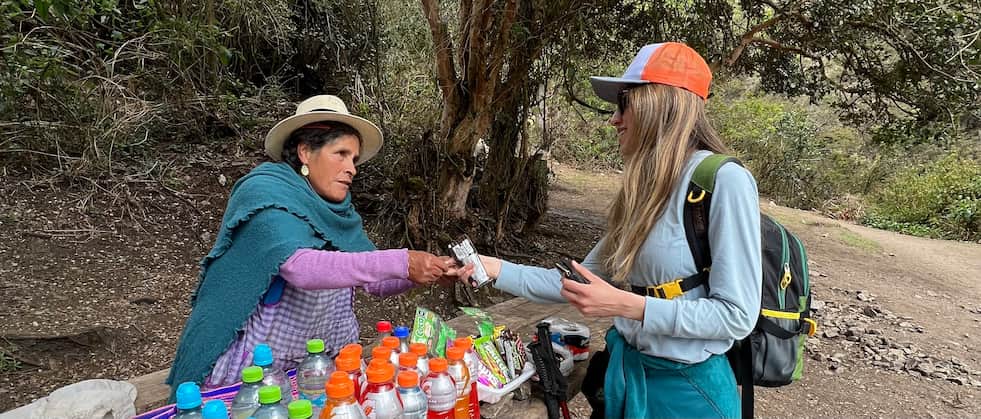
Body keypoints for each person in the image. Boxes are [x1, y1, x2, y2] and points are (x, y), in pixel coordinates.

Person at [468, 43, 762, 419]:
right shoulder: (644, 190)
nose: (614, 119)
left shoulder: (723, 181)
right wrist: (492, 268)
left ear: (658, 104)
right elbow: (578, 282)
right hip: (630, 379)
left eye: (624, 102)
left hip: (687, 394)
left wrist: (624, 305)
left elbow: (736, 316)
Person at [167, 95, 464, 392]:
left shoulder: (339, 214)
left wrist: (428, 272)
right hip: (254, 373)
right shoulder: (266, 192)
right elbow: (302, 269)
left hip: (315, 368)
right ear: (306, 152)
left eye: (354, 159)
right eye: (341, 154)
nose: (352, 168)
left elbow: (375, 282)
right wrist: (402, 261)